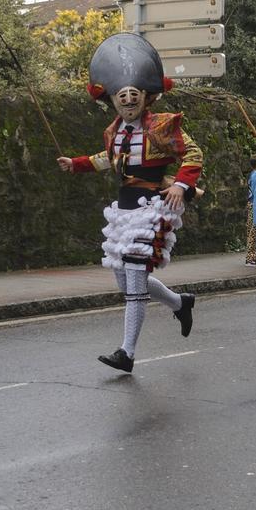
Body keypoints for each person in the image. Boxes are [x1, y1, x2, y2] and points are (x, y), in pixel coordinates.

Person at [57, 33, 203, 373]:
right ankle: (180, 302)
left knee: (135, 280)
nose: (127, 99)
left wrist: (182, 185)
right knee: (125, 278)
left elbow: (193, 154)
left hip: (152, 208)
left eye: (133, 95)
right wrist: (75, 163)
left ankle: (127, 353)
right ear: (112, 99)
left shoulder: (163, 126)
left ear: (146, 97)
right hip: (123, 210)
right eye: (121, 96)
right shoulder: (113, 132)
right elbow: (107, 159)